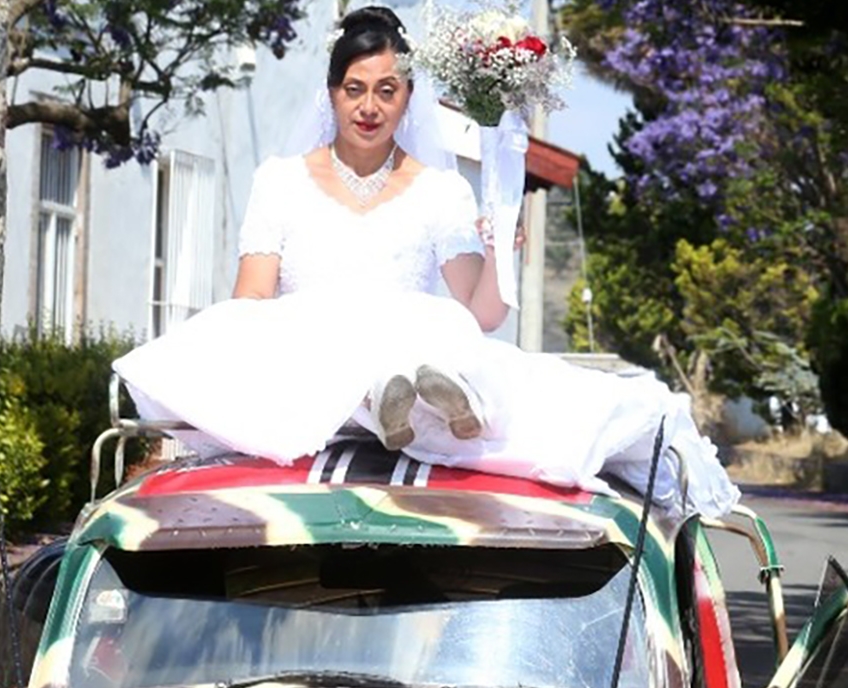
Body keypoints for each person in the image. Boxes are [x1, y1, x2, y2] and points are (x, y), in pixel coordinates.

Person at [110, 7, 737, 519]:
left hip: (414, 341)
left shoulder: (441, 190)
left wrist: (499, 246)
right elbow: (251, 299)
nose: (369, 107)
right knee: (256, 332)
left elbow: (483, 311)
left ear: (409, 97)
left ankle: (429, 396)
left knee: (447, 342)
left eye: (387, 90)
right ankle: (382, 395)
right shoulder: (279, 181)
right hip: (310, 345)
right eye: (354, 89)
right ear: (331, 93)